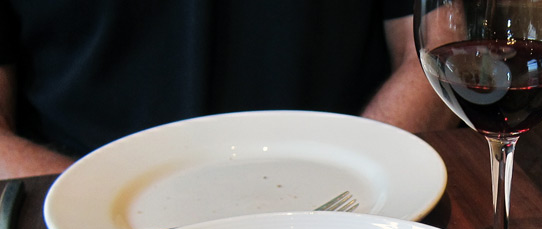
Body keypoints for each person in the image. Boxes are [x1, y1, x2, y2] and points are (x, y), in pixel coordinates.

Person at [0, 1, 453, 179]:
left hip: (350, 205)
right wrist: (98, 197)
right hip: (85, 226)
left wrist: (356, 174)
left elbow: (436, 47)